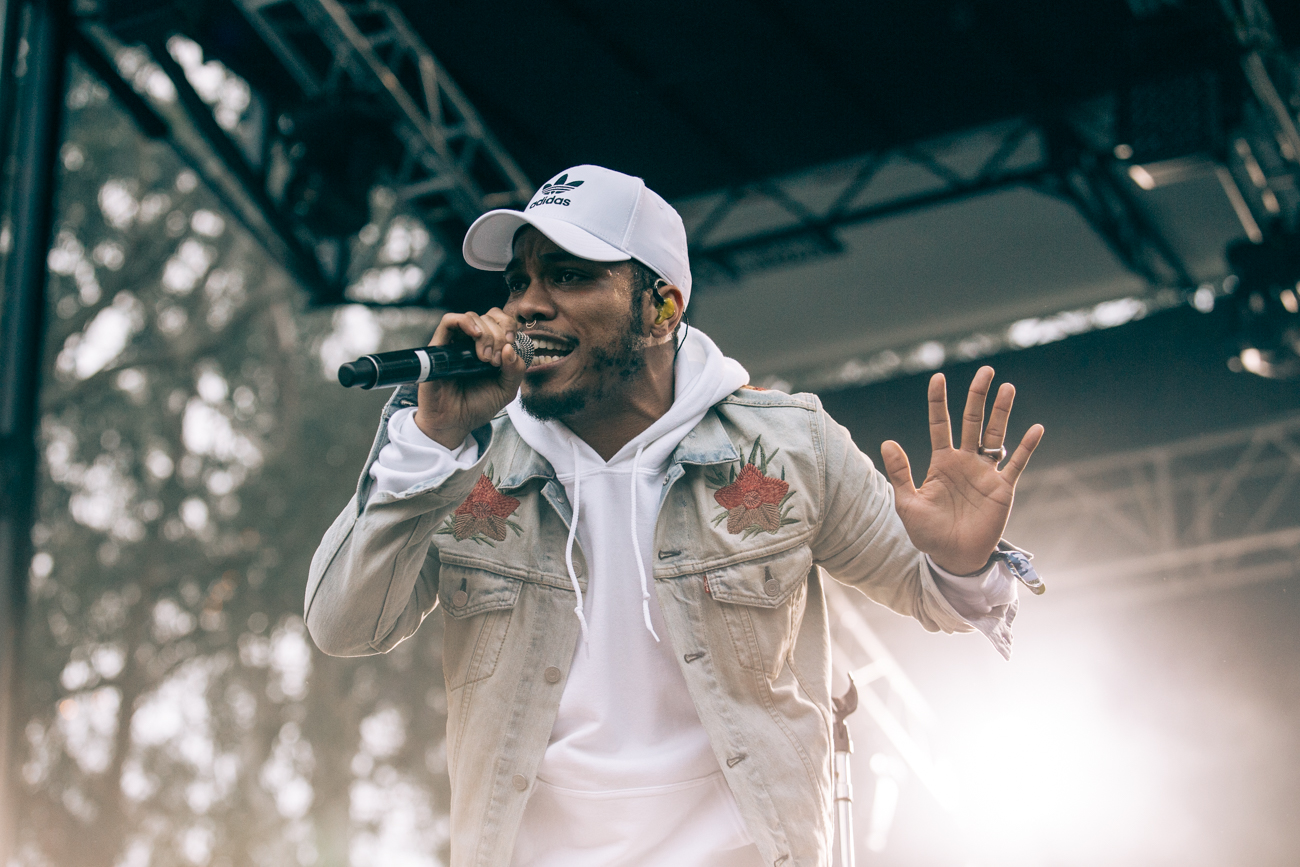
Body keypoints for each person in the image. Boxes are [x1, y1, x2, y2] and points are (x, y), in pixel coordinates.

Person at [305, 165, 1044, 867]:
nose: (528, 303)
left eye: (568, 274)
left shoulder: (789, 445)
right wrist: (429, 444)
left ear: (662, 307)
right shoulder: (467, 463)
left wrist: (960, 559)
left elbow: (936, 595)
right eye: (519, 280)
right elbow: (344, 623)